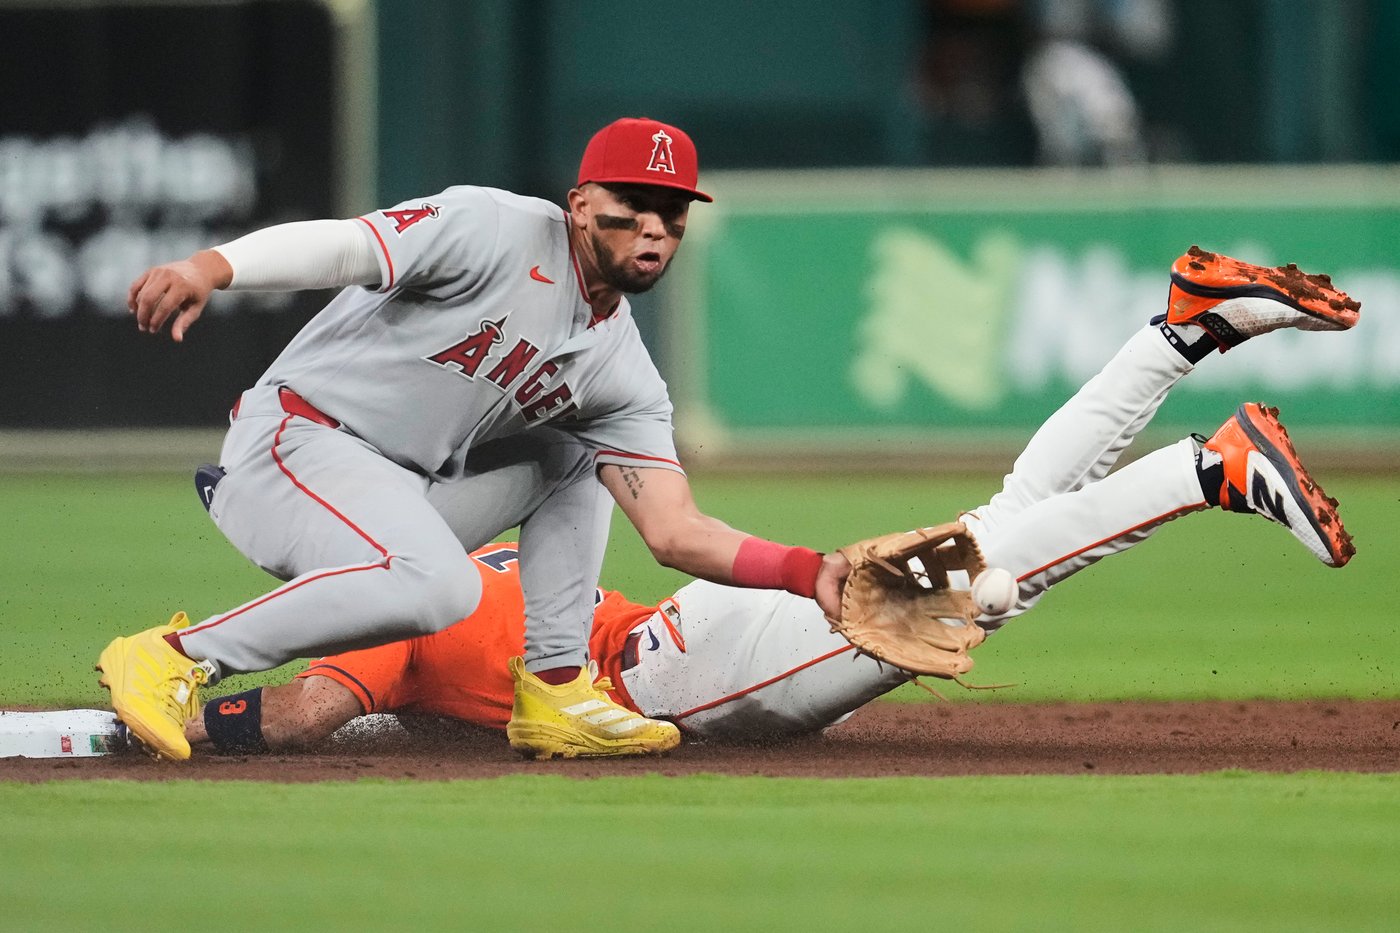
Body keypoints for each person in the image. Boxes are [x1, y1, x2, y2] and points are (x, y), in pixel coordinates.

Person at [186, 248, 1360, 753]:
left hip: (684, 673)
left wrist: (198, 714)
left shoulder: (383, 610)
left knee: (981, 587)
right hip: (692, 633)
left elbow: (309, 715)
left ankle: (1203, 472)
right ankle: (1178, 329)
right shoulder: (444, 557)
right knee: (999, 526)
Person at [96, 117, 849, 762]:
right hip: (293, 443)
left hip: (399, 491)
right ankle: (170, 657)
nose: (654, 226)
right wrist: (211, 266)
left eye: (672, 211)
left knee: (573, 448)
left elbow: (676, 528)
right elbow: (346, 247)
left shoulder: (623, 371)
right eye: (633, 203)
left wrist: (806, 568)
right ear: (581, 205)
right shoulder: (492, 228)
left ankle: (557, 690)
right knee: (440, 585)